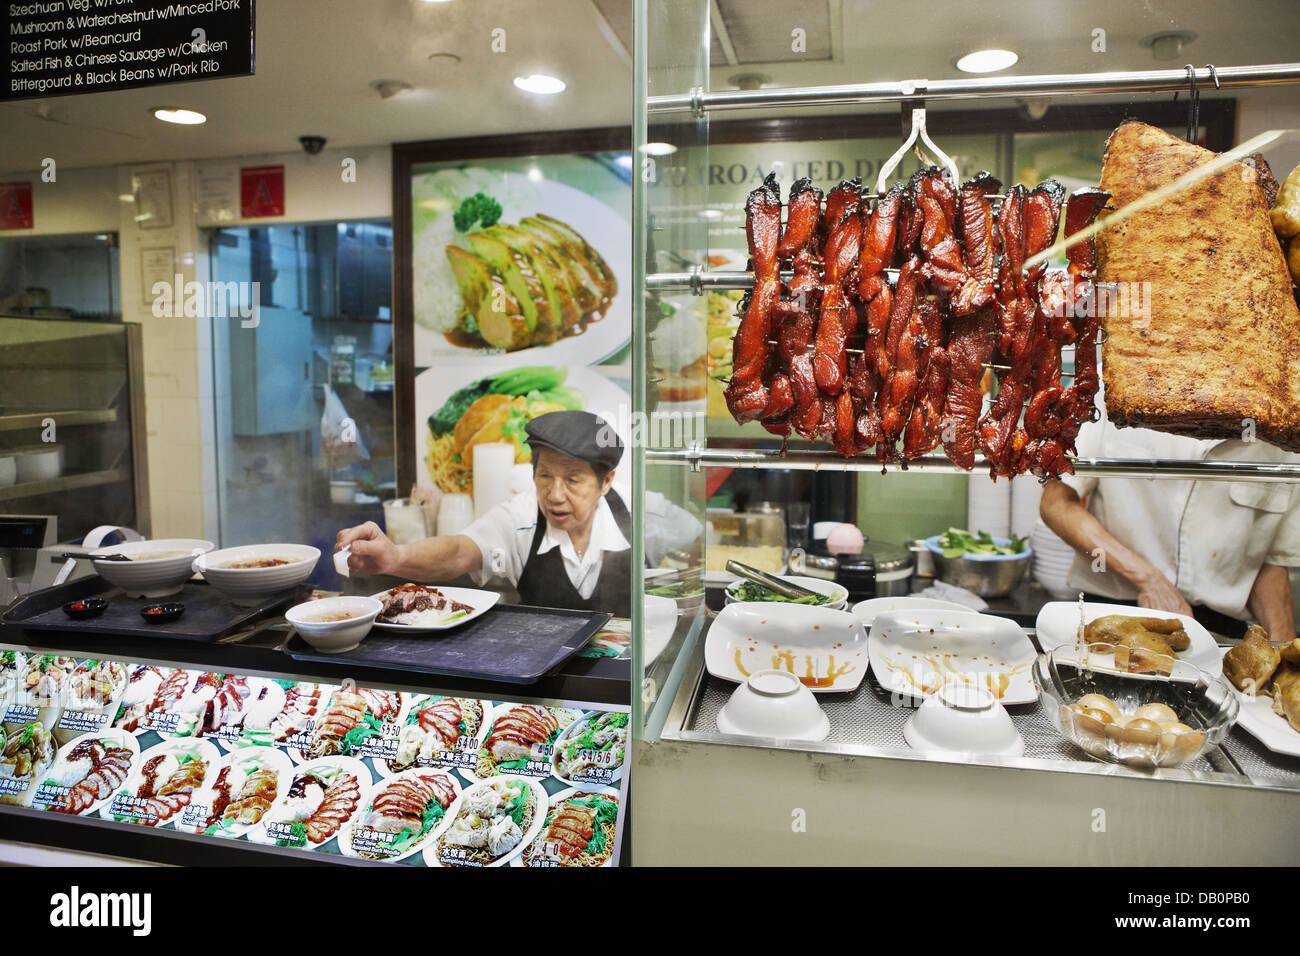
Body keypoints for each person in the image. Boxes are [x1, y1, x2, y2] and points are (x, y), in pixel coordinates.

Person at [337, 410, 697, 619]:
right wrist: (396, 556)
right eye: (544, 476)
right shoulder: (521, 515)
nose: (555, 495)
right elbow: (459, 551)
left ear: (605, 482)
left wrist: (688, 604)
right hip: (546, 677)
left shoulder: (644, 511)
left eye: (573, 480)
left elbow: (696, 541)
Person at [1039, 404, 1300, 643]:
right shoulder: (1124, 380)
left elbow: (1269, 560)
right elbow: (1057, 504)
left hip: (1218, 633)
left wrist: (1283, 650)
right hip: (1112, 614)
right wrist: (1148, 579)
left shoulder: (1283, 417)